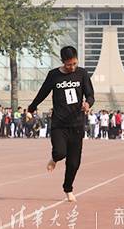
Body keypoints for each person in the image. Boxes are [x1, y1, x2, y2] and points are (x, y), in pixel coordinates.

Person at [28, 46, 94, 203]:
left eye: (75, 64)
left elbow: (90, 95)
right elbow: (43, 92)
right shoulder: (54, 75)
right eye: (69, 64)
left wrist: (88, 104)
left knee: (74, 163)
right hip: (59, 123)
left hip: (77, 124)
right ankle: (54, 159)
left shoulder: (82, 74)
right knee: (60, 152)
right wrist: (32, 107)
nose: (72, 67)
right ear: (62, 61)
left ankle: (68, 188)